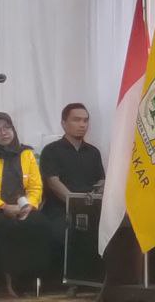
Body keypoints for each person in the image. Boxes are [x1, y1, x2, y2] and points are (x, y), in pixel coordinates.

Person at [0, 112, 50, 296]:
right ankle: (3, 280)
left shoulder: (26, 153)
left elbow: (36, 186)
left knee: (40, 223)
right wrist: (4, 207)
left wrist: (30, 206)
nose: (3, 132)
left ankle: (29, 279)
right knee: (1, 225)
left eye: (7, 127)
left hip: (22, 206)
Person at [39, 104, 105, 277]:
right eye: (76, 120)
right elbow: (53, 182)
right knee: (66, 230)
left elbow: (101, 180)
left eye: (85, 120)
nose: (82, 124)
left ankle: (98, 280)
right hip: (60, 209)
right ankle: (67, 280)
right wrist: (77, 203)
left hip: (91, 208)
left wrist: (96, 196)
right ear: (64, 123)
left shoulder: (93, 152)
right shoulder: (51, 151)